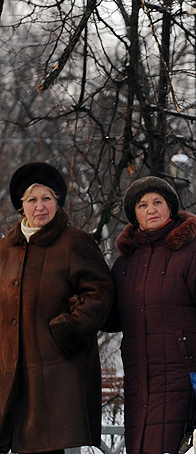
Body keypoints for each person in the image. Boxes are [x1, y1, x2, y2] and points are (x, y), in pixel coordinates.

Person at [106, 176, 196, 454]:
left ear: (170, 209)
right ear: (135, 215)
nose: (151, 209)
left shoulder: (194, 253)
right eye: (143, 205)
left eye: (157, 202)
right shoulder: (125, 264)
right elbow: (112, 316)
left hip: (184, 373)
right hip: (139, 377)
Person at [0, 162, 114, 454]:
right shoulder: (5, 250)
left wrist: (69, 330)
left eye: (47, 198)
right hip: (10, 372)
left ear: (57, 202)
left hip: (56, 373)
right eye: (32, 200)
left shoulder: (74, 242)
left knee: (48, 447)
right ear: (20, 207)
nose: (40, 206)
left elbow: (100, 292)